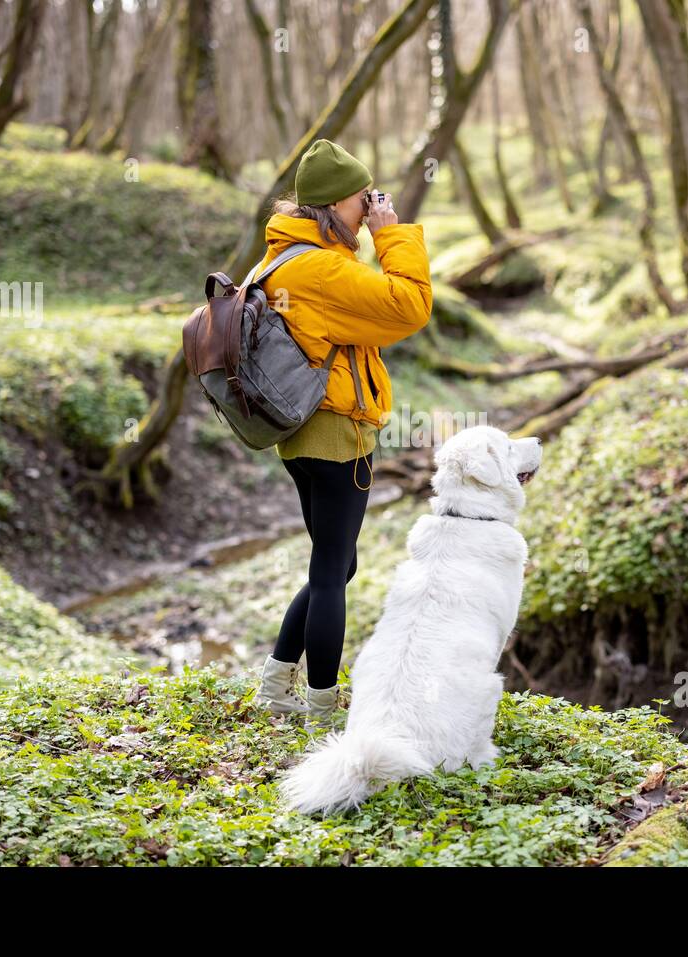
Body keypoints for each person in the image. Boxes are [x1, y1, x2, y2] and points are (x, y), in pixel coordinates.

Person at [251, 138, 433, 726]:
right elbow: (409, 307)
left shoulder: (281, 258)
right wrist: (392, 236)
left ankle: (277, 683)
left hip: (298, 433)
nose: (372, 207)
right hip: (334, 436)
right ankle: (324, 710)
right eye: (364, 200)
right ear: (332, 207)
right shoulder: (323, 270)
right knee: (332, 572)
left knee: (335, 564)